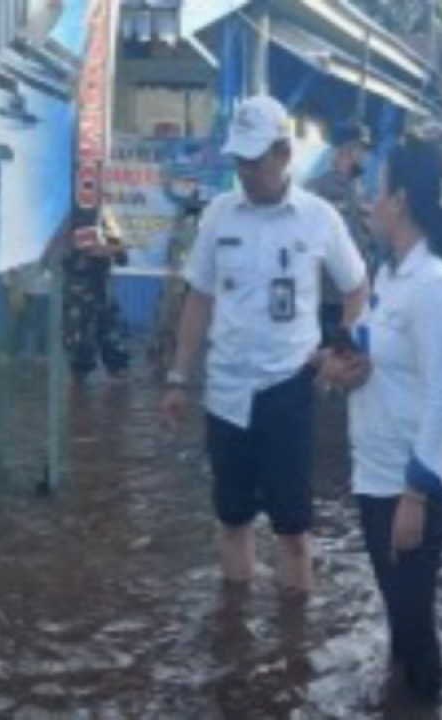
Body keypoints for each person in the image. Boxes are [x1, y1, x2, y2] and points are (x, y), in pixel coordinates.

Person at [160, 95, 368, 594]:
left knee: (293, 531)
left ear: (283, 154)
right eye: (239, 160)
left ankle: (293, 657)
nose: (246, 171)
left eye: (255, 160)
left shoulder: (319, 218)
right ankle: (235, 646)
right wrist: (177, 378)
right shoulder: (218, 216)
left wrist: (341, 349)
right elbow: (199, 299)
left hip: (289, 388)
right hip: (226, 392)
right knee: (231, 520)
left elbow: (357, 287)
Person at [319, 137, 442, 706]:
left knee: (414, 628)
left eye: (378, 191)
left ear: (401, 200)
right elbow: (368, 346)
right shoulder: (390, 277)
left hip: (409, 486)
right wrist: (339, 364)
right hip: (373, 474)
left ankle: (424, 705)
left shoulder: (435, 286)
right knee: (398, 625)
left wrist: (416, 493)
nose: (370, 201)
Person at [309, 122, 375, 344]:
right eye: (361, 150)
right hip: (327, 298)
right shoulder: (319, 189)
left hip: (355, 295)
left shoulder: (360, 191)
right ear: (347, 150)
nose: (364, 156)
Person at [62, 212, 131, 382]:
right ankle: (79, 370)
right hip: (79, 286)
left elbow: (122, 257)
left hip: (102, 286)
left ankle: (117, 368)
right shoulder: (77, 217)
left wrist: (117, 247)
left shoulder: (107, 219)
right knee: (80, 331)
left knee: (109, 328)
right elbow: (89, 250)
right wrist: (114, 249)